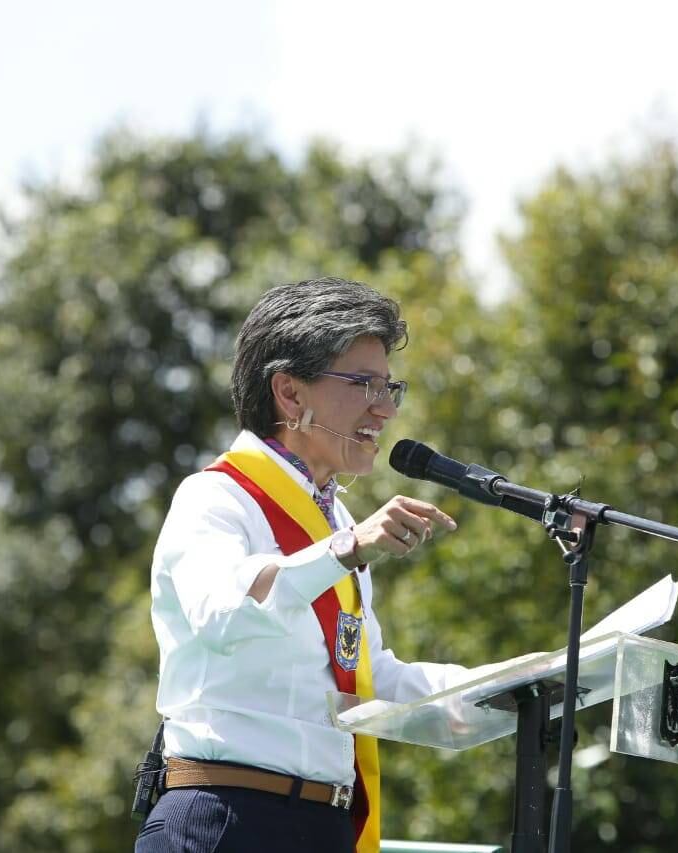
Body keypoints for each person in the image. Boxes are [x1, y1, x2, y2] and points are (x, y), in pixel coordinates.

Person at [136, 277, 468, 853]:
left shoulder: (337, 520)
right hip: (225, 818)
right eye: (364, 383)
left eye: (390, 388)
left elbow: (368, 680)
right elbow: (225, 613)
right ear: (290, 394)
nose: (385, 409)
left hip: (323, 827)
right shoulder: (216, 498)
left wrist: (522, 685)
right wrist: (348, 549)